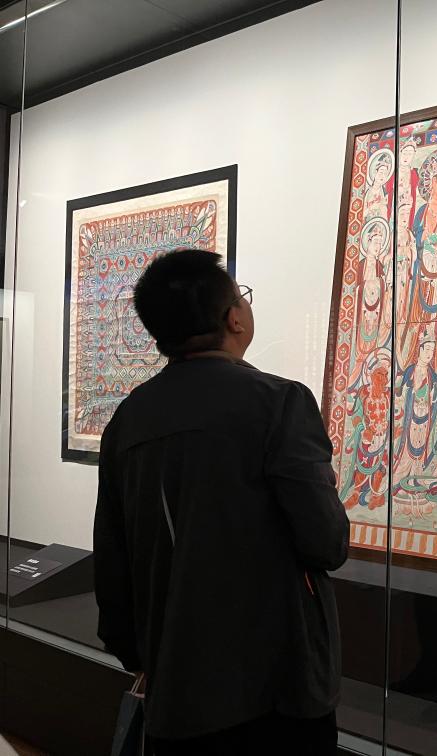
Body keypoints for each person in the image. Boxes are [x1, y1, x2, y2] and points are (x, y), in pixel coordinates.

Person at [94, 249, 349, 755]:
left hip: (180, 688)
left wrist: (144, 657)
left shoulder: (128, 418)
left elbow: (113, 560)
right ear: (234, 318)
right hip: (277, 685)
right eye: (242, 298)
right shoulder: (279, 402)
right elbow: (326, 543)